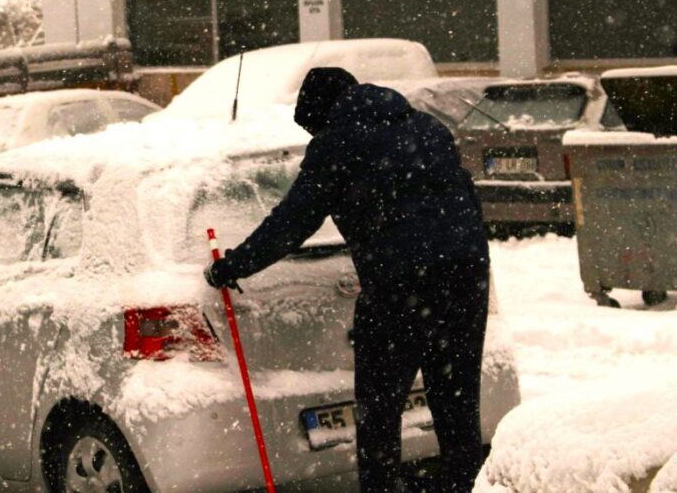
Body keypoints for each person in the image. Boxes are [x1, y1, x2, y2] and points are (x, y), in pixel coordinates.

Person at [204, 67, 490, 493]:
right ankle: (466, 486)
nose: (315, 135)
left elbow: (293, 220)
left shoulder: (337, 145)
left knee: (379, 410)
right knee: (456, 404)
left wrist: (233, 266)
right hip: (467, 276)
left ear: (322, 112)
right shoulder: (427, 127)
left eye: (314, 126)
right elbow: (462, 197)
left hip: (399, 288)